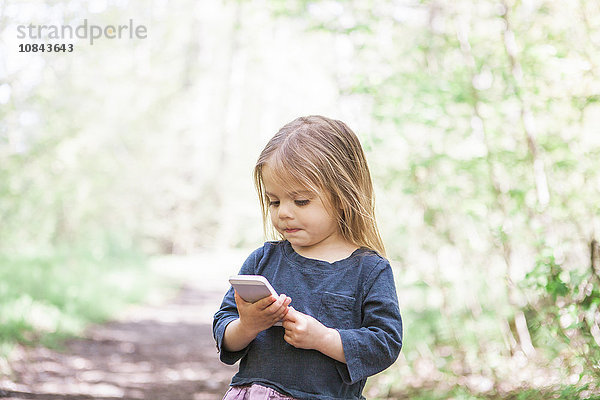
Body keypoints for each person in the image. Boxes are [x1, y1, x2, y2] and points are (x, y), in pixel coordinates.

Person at [213, 115, 403, 400]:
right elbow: (223, 328)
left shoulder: (369, 270)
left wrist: (324, 338)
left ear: (342, 197)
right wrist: (248, 325)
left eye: (301, 200)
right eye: (274, 201)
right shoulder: (262, 261)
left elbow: (384, 343)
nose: (283, 212)